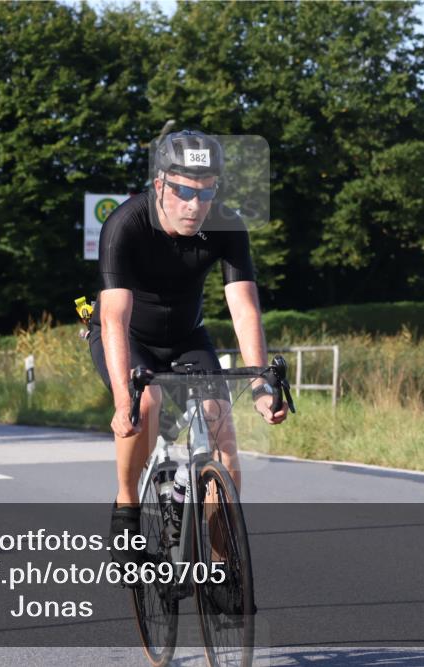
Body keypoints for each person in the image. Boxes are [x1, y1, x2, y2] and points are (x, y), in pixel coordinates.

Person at [87, 130, 288, 567]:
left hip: (186, 336)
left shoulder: (227, 225)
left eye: (207, 192)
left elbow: (244, 309)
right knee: (146, 405)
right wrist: (124, 399)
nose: (196, 205)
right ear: (160, 184)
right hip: (126, 337)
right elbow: (114, 318)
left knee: (223, 433)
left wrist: (259, 385)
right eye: (184, 192)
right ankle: (127, 505)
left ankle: (221, 565)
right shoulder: (125, 224)